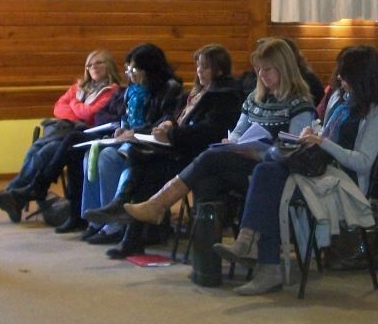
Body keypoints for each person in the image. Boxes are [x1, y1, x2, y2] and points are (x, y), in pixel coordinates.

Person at [216, 45, 378, 296]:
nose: (340, 79)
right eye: (340, 73)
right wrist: (312, 135)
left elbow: (363, 163)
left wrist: (323, 142)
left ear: (363, 77)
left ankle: (254, 248)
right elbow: (325, 136)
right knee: (268, 171)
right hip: (317, 167)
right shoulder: (338, 99)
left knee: (267, 175)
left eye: (346, 75)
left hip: (344, 181)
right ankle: (256, 252)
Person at [122, 37, 316, 229]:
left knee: (209, 158)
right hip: (245, 162)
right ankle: (207, 253)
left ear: (284, 69)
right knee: (207, 181)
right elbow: (240, 129)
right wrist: (232, 141)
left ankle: (158, 204)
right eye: (258, 69)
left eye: (267, 69)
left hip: (274, 169)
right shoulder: (255, 98)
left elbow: (292, 149)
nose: (261, 75)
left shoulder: (299, 104)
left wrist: (257, 153)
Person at [82, 44, 243, 256]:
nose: (199, 71)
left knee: (148, 166)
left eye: (204, 67)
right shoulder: (198, 91)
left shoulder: (225, 94)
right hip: (180, 148)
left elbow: (210, 130)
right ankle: (124, 212)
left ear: (219, 69)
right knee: (142, 159)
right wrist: (169, 124)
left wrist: (172, 134)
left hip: (199, 155)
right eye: (197, 66)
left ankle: (128, 221)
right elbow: (178, 117)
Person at [0, 49, 122, 227]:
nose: (93, 67)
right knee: (36, 150)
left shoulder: (113, 91)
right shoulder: (79, 87)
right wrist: (76, 113)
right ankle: (14, 195)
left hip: (85, 134)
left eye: (99, 63)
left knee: (48, 151)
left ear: (109, 66)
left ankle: (15, 195)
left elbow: (90, 113)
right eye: (89, 65)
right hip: (66, 130)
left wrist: (74, 104)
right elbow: (59, 108)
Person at [79, 44, 182, 247]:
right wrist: (121, 128)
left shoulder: (169, 88)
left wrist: (133, 133)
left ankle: (115, 224)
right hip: (132, 139)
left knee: (108, 157)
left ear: (147, 69)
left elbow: (163, 120)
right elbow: (125, 117)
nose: (130, 73)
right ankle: (95, 219)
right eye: (128, 69)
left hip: (152, 145)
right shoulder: (132, 90)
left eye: (134, 69)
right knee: (92, 153)